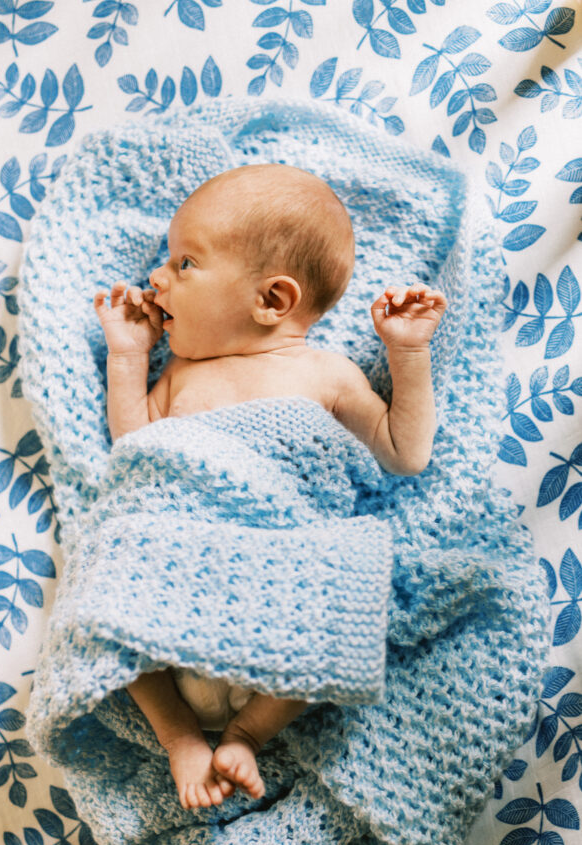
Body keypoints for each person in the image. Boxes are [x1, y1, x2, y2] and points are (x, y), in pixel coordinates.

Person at [93, 163, 447, 811]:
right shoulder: (178, 377)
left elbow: (404, 453)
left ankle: (246, 735)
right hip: (179, 586)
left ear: (271, 300)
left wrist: (407, 356)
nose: (156, 277)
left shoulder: (328, 374)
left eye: (184, 263)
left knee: (351, 584)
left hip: (284, 594)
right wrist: (127, 355)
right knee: (107, 582)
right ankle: (180, 740)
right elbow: (135, 448)